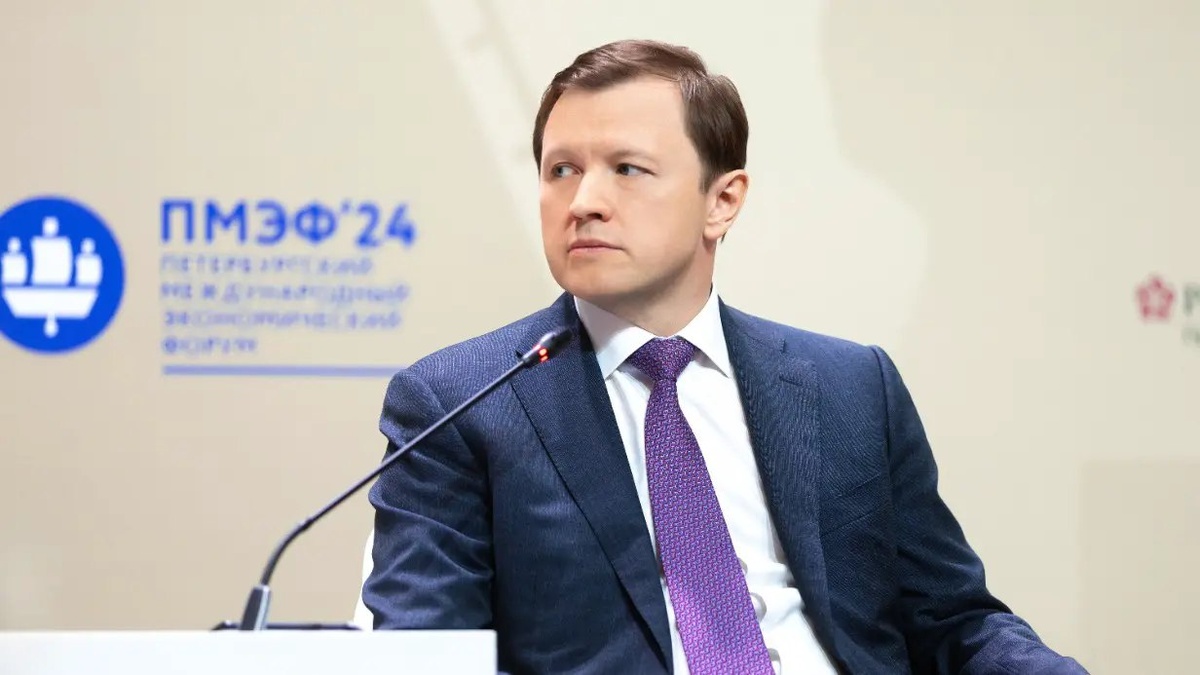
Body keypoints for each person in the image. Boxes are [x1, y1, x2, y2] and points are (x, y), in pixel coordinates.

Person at [362, 39, 1088, 675]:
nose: (584, 201)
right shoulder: (463, 401)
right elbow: (426, 652)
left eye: (627, 168)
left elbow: (952, 620)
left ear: (723, 201)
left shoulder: (850, 387)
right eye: (561, 170)